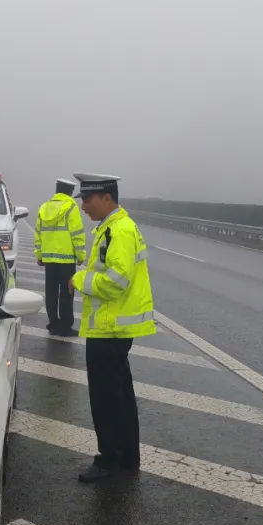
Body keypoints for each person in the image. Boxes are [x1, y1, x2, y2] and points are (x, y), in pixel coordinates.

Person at [67, 173, 156, 482]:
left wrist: (79, 279)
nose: (83, 206)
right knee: (120, 397)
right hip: (113, 327)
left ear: (107, 198)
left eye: (88, 199)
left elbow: (116, 281)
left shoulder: (118, 231)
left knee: (106, 400)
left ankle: (109, 461)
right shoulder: (114, 228)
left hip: (109, 328)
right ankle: (127, 458)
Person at [34, 178, 87, 335]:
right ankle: (65, 327)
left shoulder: (44, 207)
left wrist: (39, 255)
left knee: (51, 292)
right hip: (66, 259)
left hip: (49, 259)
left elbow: (38, 234)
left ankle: (53, 324)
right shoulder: (71, 207)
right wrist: (80, 255)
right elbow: (77, 234)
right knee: (67, 292)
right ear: (70, 192)